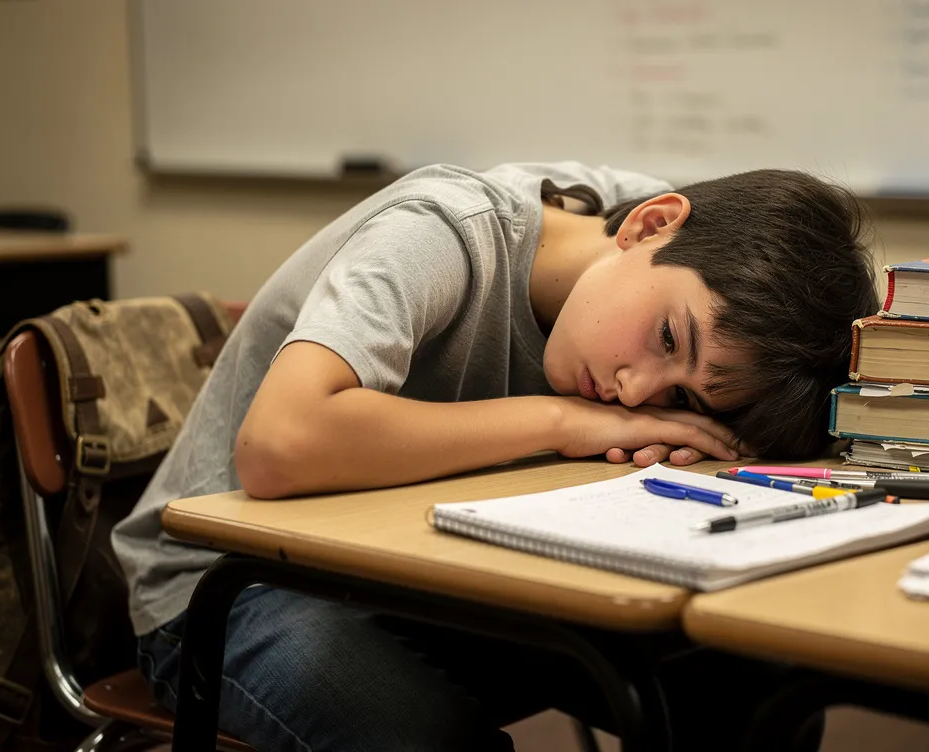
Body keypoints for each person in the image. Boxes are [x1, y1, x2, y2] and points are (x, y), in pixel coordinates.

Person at [113, 162, 877, 750]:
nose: (636, 390)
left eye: (683, 399)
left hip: (435, 570)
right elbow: (279, 448)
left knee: (750, 694)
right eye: (670, 340)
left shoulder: (672, 248)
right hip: (226, 589)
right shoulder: (443, 231)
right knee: (429, 739)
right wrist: (559, 420)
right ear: (649, 226)